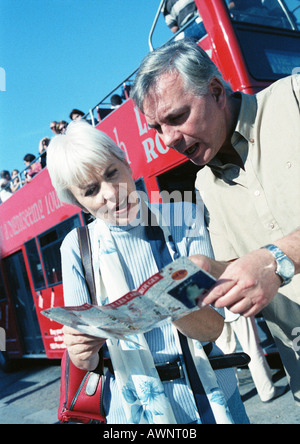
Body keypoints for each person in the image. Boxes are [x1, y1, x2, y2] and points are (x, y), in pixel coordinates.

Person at [130, 40, 300, 405]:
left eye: (176, 117)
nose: (168, 140)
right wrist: (187, 294)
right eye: (157, 127)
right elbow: (218, 320)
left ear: (216, 91)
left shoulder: (294, 99)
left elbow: (267, 261)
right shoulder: (203, 183)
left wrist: (279, 258)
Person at [46, 120, 249, 424]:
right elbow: (86, 362)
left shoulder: (184, 217)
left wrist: (167, 304)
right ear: (79, 203)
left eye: (112, 173)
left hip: (213, 398)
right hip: (134, 412)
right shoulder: (76, 247)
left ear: (126, 163)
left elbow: (212, 329)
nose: (111, 195)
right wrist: (80, 348)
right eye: (91, 190)